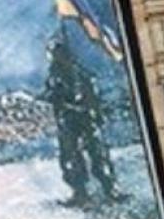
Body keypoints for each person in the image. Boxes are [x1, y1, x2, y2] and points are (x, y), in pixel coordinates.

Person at [44, 30, 118, 209]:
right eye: (54, 52)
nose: (54, 56)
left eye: (57, 51)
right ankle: (82, 193)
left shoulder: (77, 72)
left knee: (96, 153)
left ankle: (109, 190)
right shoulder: (55, 74)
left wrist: (93, 112)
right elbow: (53, 95)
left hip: (83, 117)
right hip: (69, 120)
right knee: (72, 156)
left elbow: (89, 94)